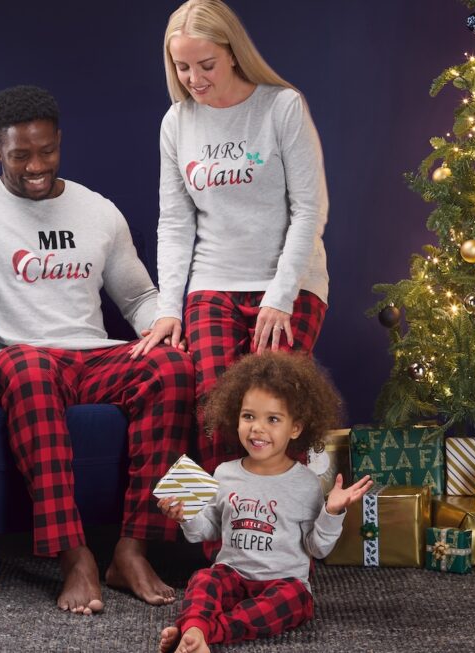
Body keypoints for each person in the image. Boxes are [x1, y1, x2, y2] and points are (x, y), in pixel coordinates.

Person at [0, 85, 196, 615]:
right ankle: (75, 555)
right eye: (20, 155)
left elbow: (140, 297)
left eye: (47, 151)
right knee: (28, 366)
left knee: (170, 366)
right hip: (16, 360)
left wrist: (168, 329)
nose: (37, 165)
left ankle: (131, 550)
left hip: (93, 359)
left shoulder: (98, 210)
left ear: (59, 142)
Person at [132, 0, 331, 476]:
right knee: (215, 411)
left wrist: (280, 297)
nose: (194, 79)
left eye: (206, 65)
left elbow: (310, 210)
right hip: (212, 283)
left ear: (233, 53)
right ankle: (226, 546)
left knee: (271, 410)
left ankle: (284, 544)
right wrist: (168, 310)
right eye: (182, 67)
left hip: (288, 284)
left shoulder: (281, 106)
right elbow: (175, 224)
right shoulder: (176, 122)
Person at [156, 352, 372, 653]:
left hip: (281, 583)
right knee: (205, 579)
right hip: (232, 576)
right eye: (249, 416)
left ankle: (202, 632)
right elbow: (206, 530)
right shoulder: (225, 473)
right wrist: (184, 516)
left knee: (297, 601)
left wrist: (332, 511)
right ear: (235, 416)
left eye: (273, 419)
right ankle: (195, 629)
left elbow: (317, 548)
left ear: (295, 428)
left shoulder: (305, 483)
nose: (257, 428)